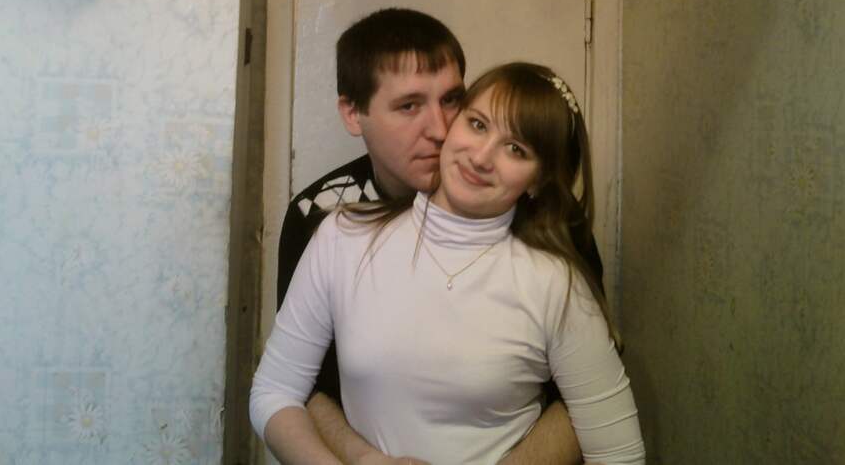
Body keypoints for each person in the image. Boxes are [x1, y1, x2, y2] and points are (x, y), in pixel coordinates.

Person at [253, 62, 644, 464]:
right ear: (453, 123)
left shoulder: (556, 284)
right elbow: (275, 390)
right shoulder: (342, 236)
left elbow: (620, 453)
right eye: (478, 124)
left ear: (538, 181)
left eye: (516, 149)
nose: (482, 157)